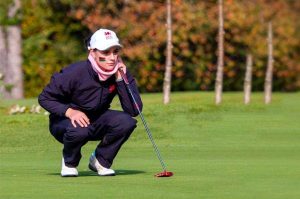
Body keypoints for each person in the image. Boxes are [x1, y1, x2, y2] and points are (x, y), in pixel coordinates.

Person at [38, 28, 143, 177]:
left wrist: (121, 79)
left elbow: (134, 110)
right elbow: (44, 98)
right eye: (105, 53)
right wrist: (70, 112)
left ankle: (100, 161)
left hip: (96, 118)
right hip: (64, 121)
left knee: (126, 122)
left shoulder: (120, 73)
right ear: (93, 52)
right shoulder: (73, 72)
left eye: (115, 52)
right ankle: (69, 163)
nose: (112, 58)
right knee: (79, 128)